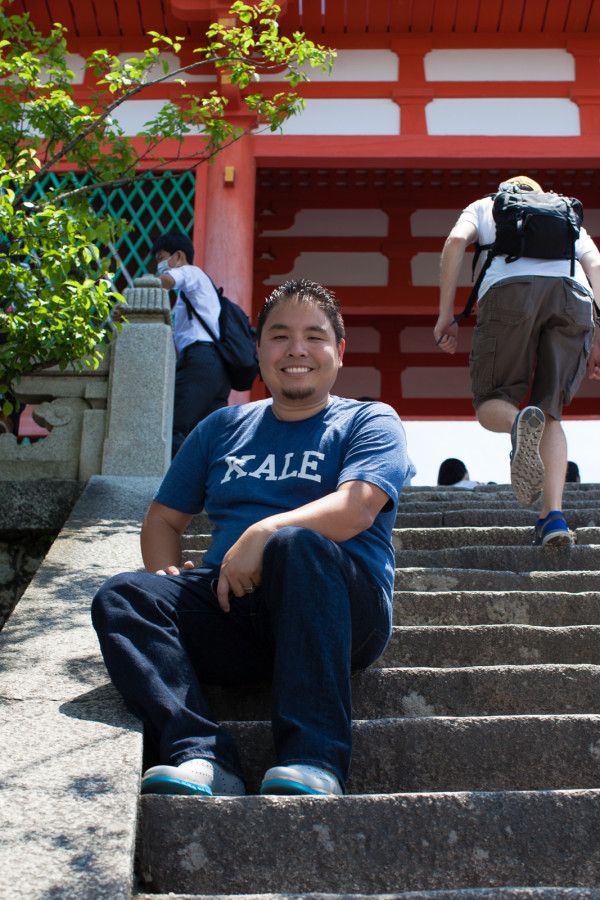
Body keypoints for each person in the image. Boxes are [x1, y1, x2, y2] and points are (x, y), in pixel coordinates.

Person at [91, 279, 412, 798]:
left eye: (315, 336)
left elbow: (357, 507)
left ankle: (314, 758)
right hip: (233, 608)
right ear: (259, 349)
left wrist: (265, 530)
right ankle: (200, 755)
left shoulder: (368, 420)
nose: (297, 349)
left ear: (339, 351)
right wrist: (167, 577)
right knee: (123, 595)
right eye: (280, 336)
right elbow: (162, 519)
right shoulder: (221, 427)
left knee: (296, 544)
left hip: (341, 611)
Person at [434, 175, 600, 546]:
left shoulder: (487, 205)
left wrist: (447, 315)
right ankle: (553, 518)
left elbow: (456, 241)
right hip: (573, 298)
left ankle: (517, 423)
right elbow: (596, 264)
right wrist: (598, 339)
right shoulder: (567, 214)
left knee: (491, 401)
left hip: (509, 294)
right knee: (551, 412)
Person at [151, 232, 232, 457]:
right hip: (216, 369)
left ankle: (178, 486)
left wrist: (138, 293)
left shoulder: (191, 272)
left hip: (200, 361)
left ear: (179, 255)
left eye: (161, 257)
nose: (159, 265)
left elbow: (167, 281)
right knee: (208, 434)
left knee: (174, 426)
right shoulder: (199, 289)